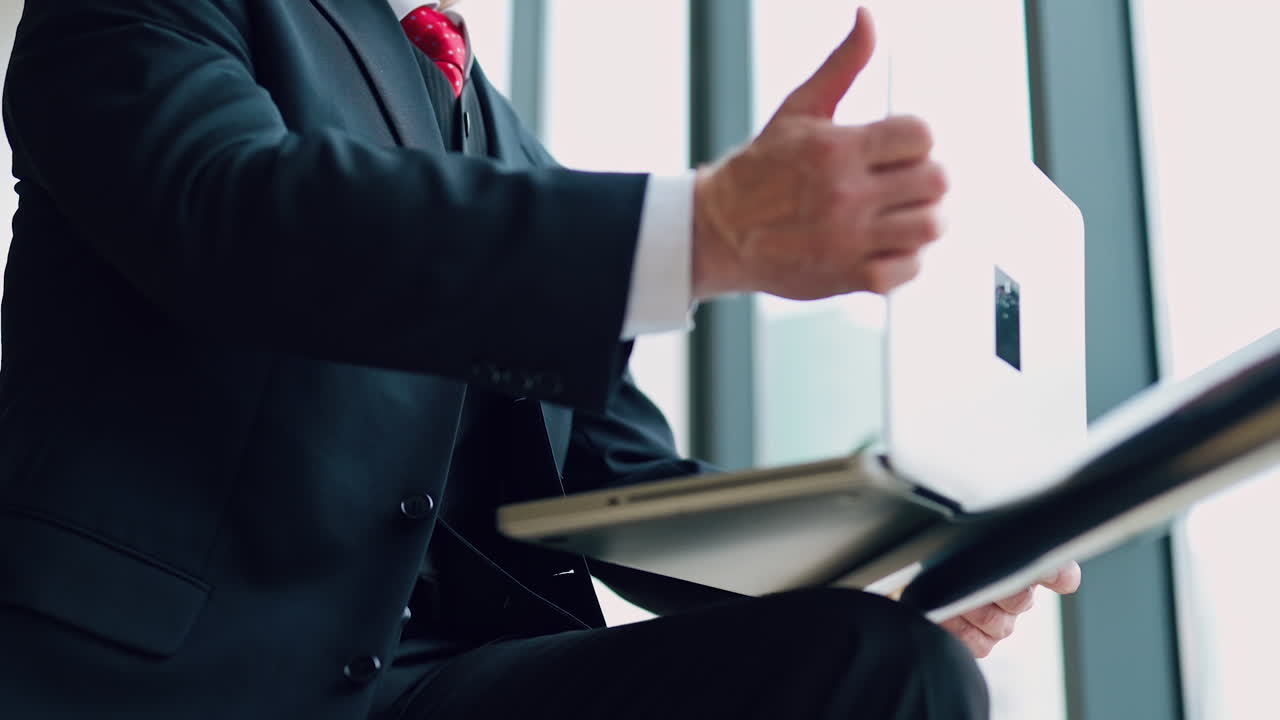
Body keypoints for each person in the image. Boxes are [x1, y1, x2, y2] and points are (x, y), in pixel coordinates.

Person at [0, 1, 1079, 718]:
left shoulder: (498, 130)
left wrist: (893, 568)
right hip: (173, 673)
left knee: (882, 666)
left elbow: (614, 487)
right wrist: (705, 230)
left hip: (434, 686)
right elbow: (242, 218)